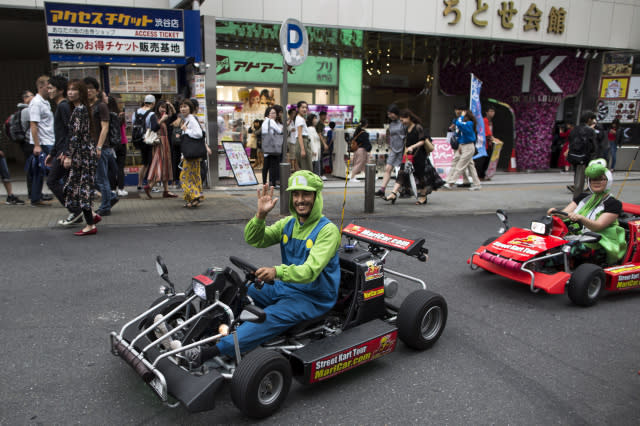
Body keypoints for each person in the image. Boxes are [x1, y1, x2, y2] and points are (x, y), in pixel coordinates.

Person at [183, 170, 341, 364]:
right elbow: (255, 239)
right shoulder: (289, 224)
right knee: (235, 291)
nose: (300, 200)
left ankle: (210, 352)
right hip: (286, 286)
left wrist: (277, 272)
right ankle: (202, 331)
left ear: (316, 196)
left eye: (306, 194)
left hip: (313, 297)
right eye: (296, 194)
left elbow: (310, 271)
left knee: (266, 318)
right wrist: (260, 215)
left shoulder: (328, 231)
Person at [547, 159, 626, 265]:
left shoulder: (613, 204)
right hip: (577, 235)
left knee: (567, 248)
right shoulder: (583, 197)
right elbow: (564, 215)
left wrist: (580, 218)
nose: (596, 182)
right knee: (547, 240)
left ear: (608, 181)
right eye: (593, 179)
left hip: (599, 241)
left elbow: (597, 226)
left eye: (601, 179)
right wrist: (554, 213)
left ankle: (547, 267)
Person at [62, 79, 101, 236]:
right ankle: (91, 217)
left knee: (81, 188)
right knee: (79, 188)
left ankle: (90, 224)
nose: (70, 92)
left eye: (74, 90)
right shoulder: (81, 109)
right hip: (84, 153)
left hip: (82, 155)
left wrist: (69, 156)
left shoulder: (80, 110)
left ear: (81, 92)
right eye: (69, 90)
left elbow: (75, 136)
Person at [45, 75, 82, 226]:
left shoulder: (64, 106)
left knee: (52, 181)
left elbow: (71, 131)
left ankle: (75, 209)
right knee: (67, 183)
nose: (48, 91)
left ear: (60, 90)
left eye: (50, 88)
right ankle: (77, 210)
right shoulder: (62, 106)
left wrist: (67, 153)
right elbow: (60, 134)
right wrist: (52, 153)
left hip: (65, 153)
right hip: (61, 152)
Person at [383, 110, 439, 205]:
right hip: (408, 155)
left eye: (403, 119)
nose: (402, 122)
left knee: (420, 176)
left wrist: (413, 147)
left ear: (409, 117)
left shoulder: (417, 127)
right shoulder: (406, 128)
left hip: (419, 155)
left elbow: (422, 140)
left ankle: (423, 196)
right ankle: (393, 193)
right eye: (400, 120)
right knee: (401, 172)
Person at [85, 77, 118, 216]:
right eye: (85, 88)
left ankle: (105, 207)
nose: (88, 91)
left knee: (101, 178)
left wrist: (98, 147)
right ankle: (110, 197)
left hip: (101, 147)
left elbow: (105, 127)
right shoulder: (87, 106)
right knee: (93, 178)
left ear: (97, 91)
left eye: (91, 88)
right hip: (90, 146)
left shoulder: (101, 106)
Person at [28, 75, 55, 206]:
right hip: (44, 142)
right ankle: (65, 196)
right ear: (40, 87)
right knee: (55, 169)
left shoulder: (46, 102)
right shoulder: (36, 102)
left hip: (48, 139)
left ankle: (35, 198)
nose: (50, 90)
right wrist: (37, 145)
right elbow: (33, 124)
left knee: (38, 171)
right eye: (47, 87)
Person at [143, 100, 177, 199]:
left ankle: (166, 191)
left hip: (165, 143)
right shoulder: (154, 116)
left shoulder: (165, 116)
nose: (163, 109)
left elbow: (174, 117)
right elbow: (154, 127)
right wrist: (162, 120)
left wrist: (171, 106)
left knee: (165, 165)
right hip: (159, 143)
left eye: (165, 108)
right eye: (162, 107)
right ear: (157, 107)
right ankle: (149, 186)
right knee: (161, 166)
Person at [179, 99, 210, 208]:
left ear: (190, 108)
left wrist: (186, 130)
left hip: (191, 155)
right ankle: (194, 199)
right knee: (194, 177)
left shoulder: (191, 120)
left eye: (185, 106)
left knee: (184, 177)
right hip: (191, 154)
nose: (182, 108)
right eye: (181, 106)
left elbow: (198, 134)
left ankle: (194, 196)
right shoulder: (187, 119)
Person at [442, 109, 481, 191]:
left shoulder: (469, 123)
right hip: (463, 146)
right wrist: (460, 146)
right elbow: (460, 135)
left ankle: (450, 183)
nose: (462, 117)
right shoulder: (466, 124)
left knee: (460, 165)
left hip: (469, 147)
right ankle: (477, 184)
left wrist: (462, 116)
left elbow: (459, 123)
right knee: (471, 166)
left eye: (464, 116)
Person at [376, 105, 405, 196]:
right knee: (388, 168)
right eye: (388, 114)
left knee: (402, 171)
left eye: (391, 113)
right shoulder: (391, 124)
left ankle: (403, 189)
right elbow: (390, 136)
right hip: (394, 149)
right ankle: (382, 189)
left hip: (403, 149)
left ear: (395, 112)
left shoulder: (403, 123)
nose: (389, 116)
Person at [567, 111, 597, 197]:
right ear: (589, 119)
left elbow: (570, 141)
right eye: (593, 119)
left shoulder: (575, 129)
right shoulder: (589, 131)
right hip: (584, 158)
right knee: (585, 180)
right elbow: (593, 146)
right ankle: (578, 201)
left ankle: (577, 198)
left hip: (574, 157)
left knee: (578, 179)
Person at [134, 95, 159, 192]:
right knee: (150, 163)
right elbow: (155, 127)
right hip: (148, 140)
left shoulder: (136, 112)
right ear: (153, 103)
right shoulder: (151, 114)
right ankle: (149, 185)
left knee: (144, 163)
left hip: (138, 140)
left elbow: (133, 124)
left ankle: (139, 184)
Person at [106, 96, 129, 197]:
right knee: (120, 167)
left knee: (111, 168)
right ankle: (121, 188)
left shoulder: (108, 115)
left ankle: (112, 188)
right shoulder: (120, 115)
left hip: (112, 144)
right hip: (122, 142)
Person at [261, 106, 283, 188]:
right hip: (273, 147)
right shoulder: (271, 121)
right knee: (274, 166)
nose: (274, 115)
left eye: (274, 113)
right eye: (272, 113)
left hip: (266, 146)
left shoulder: (264, 122)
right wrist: (281, 127)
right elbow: (279, 131)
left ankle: (264, 183)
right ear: (268, 114)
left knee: (266, 166)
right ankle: (273, 184)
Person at [295, 101, 312, 171]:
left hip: (304, 142)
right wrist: (302, 149)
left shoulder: (300, 118)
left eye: (306, 107)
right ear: (298, 109)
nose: (305, 109)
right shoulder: (300, 119)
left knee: (306, 166)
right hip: (302, 143)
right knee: (306, 167)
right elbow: (300, 135)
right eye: (302, 107)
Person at [286, 107, 298, 171]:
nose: (294, 114)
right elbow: (291, 129)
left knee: (294, 155)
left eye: (295, 113)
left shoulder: (295, 121)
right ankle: (291, 167)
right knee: (291, 155)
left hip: (294, 140)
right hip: (290, 140)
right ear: (290, 114)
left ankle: (293, 167)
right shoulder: (288, 121)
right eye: (293, 113)